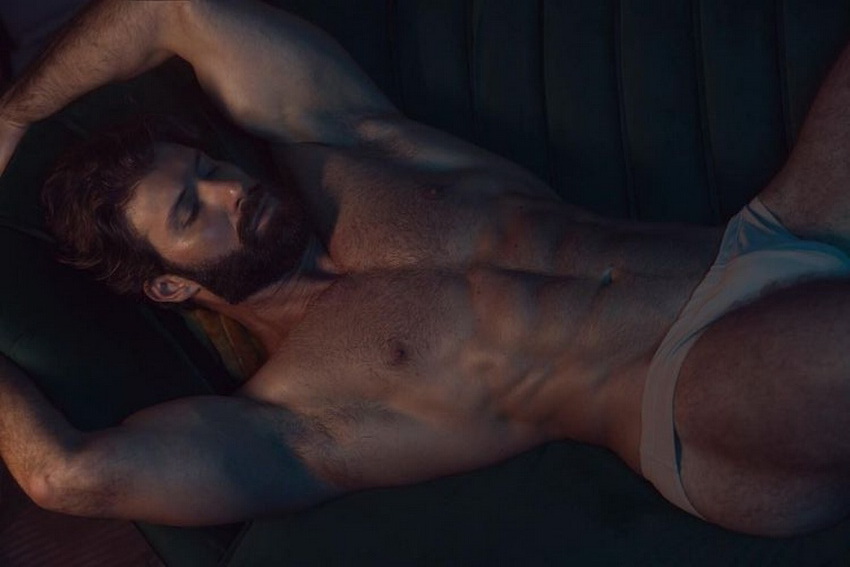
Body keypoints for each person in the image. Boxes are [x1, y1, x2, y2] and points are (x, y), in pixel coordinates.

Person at [0, 0, 847, 537]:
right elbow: (65, 475)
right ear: (170, 284)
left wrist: (12, 115)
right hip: (688, 389)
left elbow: (172, 9)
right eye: (192, 212)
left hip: (764, 232)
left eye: (208, 169)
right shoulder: (298, 418)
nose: (230, 190)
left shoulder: (348, 148)